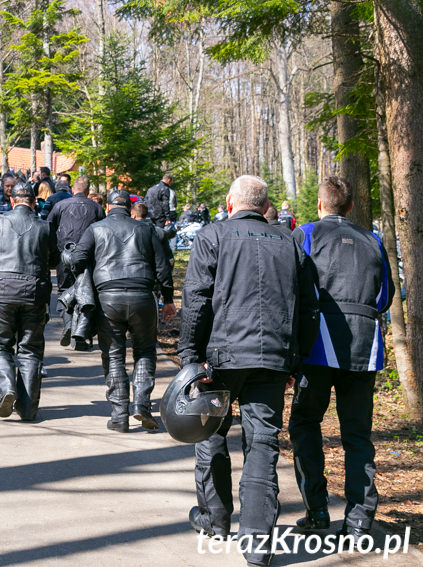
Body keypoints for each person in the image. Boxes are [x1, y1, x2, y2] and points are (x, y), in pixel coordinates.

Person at [178, 175, 319, 567]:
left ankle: (216, 518)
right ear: (264, 205)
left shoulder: (213, 236)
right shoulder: (291, 243)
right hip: (272, 359)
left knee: (211, 432)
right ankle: (257, 544)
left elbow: (196, 302)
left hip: (221, 359)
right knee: (262, 445)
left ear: (229, 202)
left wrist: (191, 356)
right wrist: (297, 360)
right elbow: (309, 308)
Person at [288, 176, 394, 543]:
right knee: (357, 435)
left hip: (317, 344)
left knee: (304, 424)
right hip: (364, 347)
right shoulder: (374, 240)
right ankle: (360, 518)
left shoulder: (305, 234)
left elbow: (293, 289)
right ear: (350, 206)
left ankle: (317, 511)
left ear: (320, 205)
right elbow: (384, 298)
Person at [70, 191, 176, 432]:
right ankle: (141, 405)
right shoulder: (147, 230)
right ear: (130, 208)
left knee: (113, 355)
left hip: (108, 298)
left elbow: (77, 259)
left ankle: (119, 416)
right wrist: (168, 299)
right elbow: (163, 268)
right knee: (146, 351)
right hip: (142, 297)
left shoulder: (96, 229)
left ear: (108, 207)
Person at [0, 182, 58, 421]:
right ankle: (27, 408)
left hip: (1, 290)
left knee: (0, 345)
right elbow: (54, 259)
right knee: (30, 350)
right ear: (34, 202)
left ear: (12, 201)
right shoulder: (45, 227)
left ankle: (7, 388)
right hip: (33, 291)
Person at [47, 175, 104, 348]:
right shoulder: (96, 208)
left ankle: (68, 324)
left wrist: (52, 253)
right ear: (88, 191)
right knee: (86, 292)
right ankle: (81, 336)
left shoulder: (60, 206)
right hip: (88, 257)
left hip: (64, 255)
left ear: (73, 190)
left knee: (65, 290)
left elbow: (49, 227)